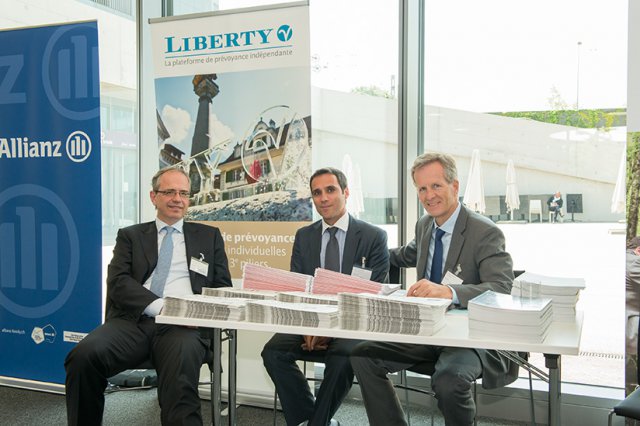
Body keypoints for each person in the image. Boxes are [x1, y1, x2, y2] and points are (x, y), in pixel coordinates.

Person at [350, 152, 518, 426]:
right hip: (426, 330)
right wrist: (365, 254)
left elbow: (500, 288)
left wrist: (449, 292)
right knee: (362, 355)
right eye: (422, 189)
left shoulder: (484, 232)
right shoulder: (426, 225)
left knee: (449, 380)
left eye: (436, 186)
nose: (429, 196)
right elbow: (404, 255)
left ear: (455, 186)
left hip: (466, 338)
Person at [64, 167, 232, 426]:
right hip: (134, 321)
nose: (177, 199)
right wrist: (161, 307)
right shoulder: (130, 236)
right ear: (154, 197)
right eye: (169, 192)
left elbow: (222, 287)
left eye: (183, 193)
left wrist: (195, 313)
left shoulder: (209, 236)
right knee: (83, 357)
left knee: (180, 379)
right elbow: (118, 282)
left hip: (183, 327)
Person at [261, 167, 390, 426]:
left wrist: (328, 330)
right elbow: (298, 287)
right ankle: (316, 420)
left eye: (330, 190)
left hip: (353, 323)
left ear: (346, 192)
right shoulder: (304, 236)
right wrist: (310, 326)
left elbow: (371, 294)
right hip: (311, 321)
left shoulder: (373, 236)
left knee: (344, 356)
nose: (323, 198)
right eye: (317, 193)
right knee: (273, 352)